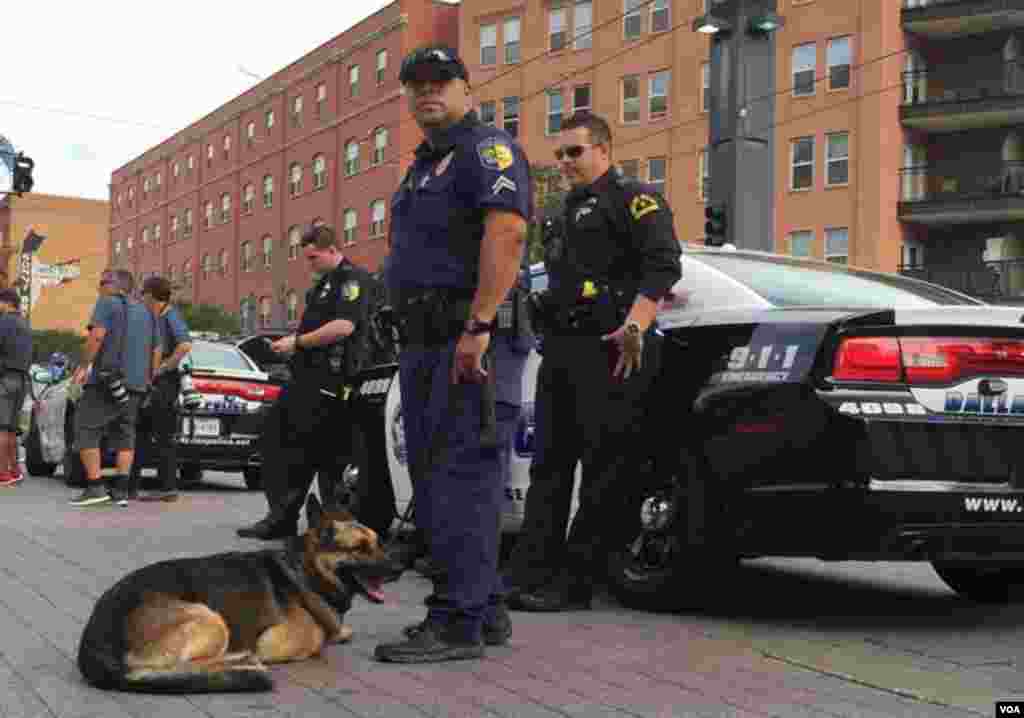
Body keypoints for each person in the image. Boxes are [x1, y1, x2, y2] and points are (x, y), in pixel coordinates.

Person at [374, 44, 532, 664]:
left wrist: (480, 325)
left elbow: (508, 231)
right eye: (415, 85)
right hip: (427, 339)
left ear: (468, 89)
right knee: (441, 476)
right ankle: (484, 607)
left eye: (440, 81)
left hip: (467, 338)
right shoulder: (425, 164)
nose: (426, 93)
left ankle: (457, 621)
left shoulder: (485, 150)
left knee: (460, 476)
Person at [505, 112, 682, 612]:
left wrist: (635, 326)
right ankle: (529, 572)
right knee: (549, 466)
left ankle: (576, 582)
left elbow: (664, 263)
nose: (564, 162)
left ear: (603, 149)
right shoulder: (561, 211)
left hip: (613, 349)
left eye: (574, 152)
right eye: (559, 154)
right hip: (562, 348)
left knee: (603, 468)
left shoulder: (633, 197)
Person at [236, 224, 373, 540]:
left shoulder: (352, 280)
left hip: (332, 381)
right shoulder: (323, 284)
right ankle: (282, 516)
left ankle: (330, 527)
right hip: (306, 378)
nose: (309, 263)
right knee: (279, 444)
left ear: (332, 250)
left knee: (324, 455)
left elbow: (343, 326)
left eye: (313, 257)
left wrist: (297, 342)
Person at [69, 269, 161, 507]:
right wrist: (149, 377)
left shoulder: (107, 302)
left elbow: (97, 336)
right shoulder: (147, 311)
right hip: (137, 384)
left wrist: (83, 366)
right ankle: (121, 489)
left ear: (115, 285)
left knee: (85, 427)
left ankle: (95, 486)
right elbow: (156, 350)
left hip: (107, 381)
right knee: (125, 433)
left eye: (102, 282)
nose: (99, 286)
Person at [127, 276, 192, 502]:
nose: (141, 296)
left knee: (161, 434)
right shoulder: (153, 316)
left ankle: (167, 487)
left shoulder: (169, 315)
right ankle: (131, 486)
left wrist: (164, 367)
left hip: (163, 383)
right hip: (150, 381)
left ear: (151, 295)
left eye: (143, 293)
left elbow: (184, 345)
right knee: (140, 433)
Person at [0, 289, 31, 487]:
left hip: (4, 379)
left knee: (1, 428)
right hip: (21, 381)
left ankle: (2, 473)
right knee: (11, 429)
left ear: (6, 302)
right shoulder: (25, 324)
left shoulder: (4, 322)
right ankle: (14, 470)